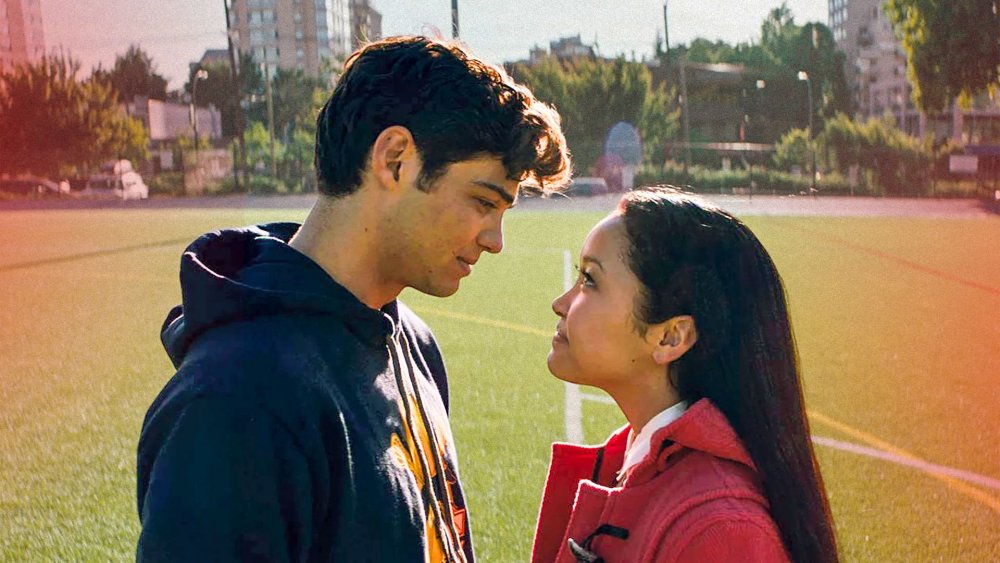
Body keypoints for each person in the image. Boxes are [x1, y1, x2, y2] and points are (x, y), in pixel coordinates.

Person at [136, 36, 570, 562]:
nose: (495, 240)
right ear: (394, 159)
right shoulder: (233, 399)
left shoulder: (413, 342)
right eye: (482, 201)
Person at [532, 187, 838, 562]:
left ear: (670, 337)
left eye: (590, 280)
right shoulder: (632, 464)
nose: (561, 304)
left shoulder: (722, 533)